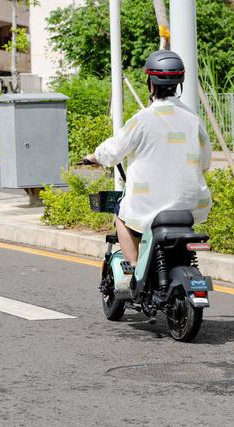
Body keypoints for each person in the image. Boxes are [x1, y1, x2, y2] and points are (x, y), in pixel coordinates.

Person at [85, 50, 212, 266]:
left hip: (148, 205)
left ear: (150, 84)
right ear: (180, 82)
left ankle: (134, 269)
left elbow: (114, 150)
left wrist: (94, 156)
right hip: (191, 205)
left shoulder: (143, 119)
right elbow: (205, 162)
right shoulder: (194, 120)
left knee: (121, 215)